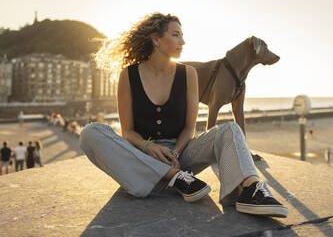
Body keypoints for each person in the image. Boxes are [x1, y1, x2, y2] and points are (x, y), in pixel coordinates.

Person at [79, 12, 288, 217]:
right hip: (144, 154)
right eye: (176, 35)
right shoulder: (129, 75)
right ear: (156, 40)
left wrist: (176, 153)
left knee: (230, 129)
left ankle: (251, 189)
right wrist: (149, 146)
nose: (183, 41)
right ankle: (174, 177)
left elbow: (189, 128)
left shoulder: (188, 73)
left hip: (182, 157)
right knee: (91, 131)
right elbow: (128, 132)